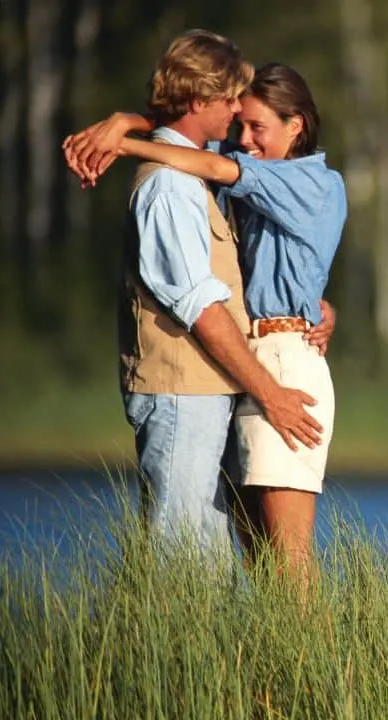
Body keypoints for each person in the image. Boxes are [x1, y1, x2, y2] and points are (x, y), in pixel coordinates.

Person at [65, 61, 347, 588]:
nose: (244, 140)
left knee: (289, 560)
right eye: (240, 125)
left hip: (284, 363)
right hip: (252, 360)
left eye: (258, 127)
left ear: (297, 125)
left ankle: (318, 672)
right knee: (257, 559)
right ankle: (267, 669)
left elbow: (213, 167)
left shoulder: (313, 183)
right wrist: (126, 119)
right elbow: (195, 141)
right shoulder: (261, 164)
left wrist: (123, 144)